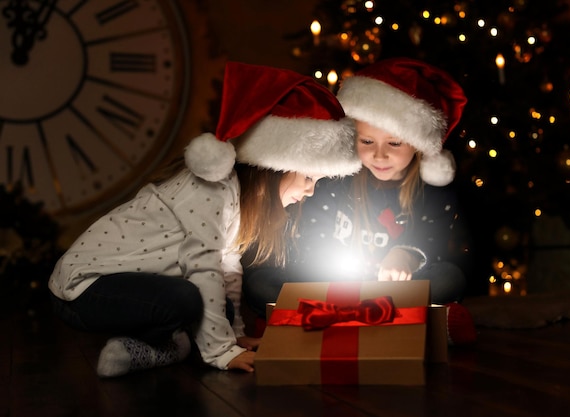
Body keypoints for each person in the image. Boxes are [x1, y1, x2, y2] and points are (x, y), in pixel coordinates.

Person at [48, 61, 361, 378]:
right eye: (308, 177)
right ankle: (164, 347)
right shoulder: (211, 191)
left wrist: (235, 334)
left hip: (131, 286)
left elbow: (228, 271)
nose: (309, 190)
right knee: (188, 298)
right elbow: (203, 266)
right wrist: (222, 352)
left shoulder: (240, 201)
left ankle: (171, 342)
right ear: (272, 168)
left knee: (217, 306)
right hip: (81, 289)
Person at [242, 57, 476, 345]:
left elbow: (435, 237)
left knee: (450, 278)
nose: (379, 155)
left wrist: (407, 254)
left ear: (416, 143)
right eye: (367, 142)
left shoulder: (432, 190)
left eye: (394, 143)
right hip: (327, 290)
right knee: (260, 283)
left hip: (392, 294)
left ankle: (317, 322)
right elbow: (312, 232)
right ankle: (383, 322)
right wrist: (324, 279)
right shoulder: (337, 179)